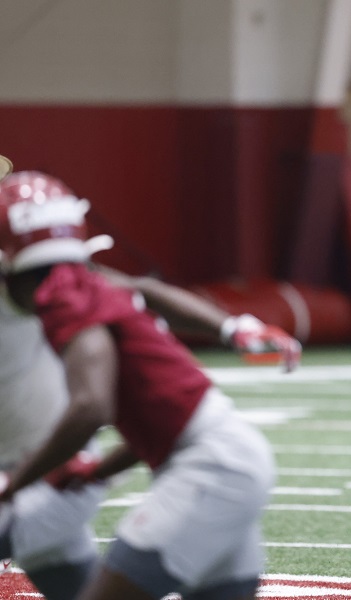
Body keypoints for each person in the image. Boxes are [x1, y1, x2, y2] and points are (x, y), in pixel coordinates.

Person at [0, 171, 288, 600]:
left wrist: (17, 484)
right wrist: (96, 472)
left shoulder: (68, 301)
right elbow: (156, 423)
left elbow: (91, 407)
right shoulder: (85, 288)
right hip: (218, 458)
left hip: (210, 467)